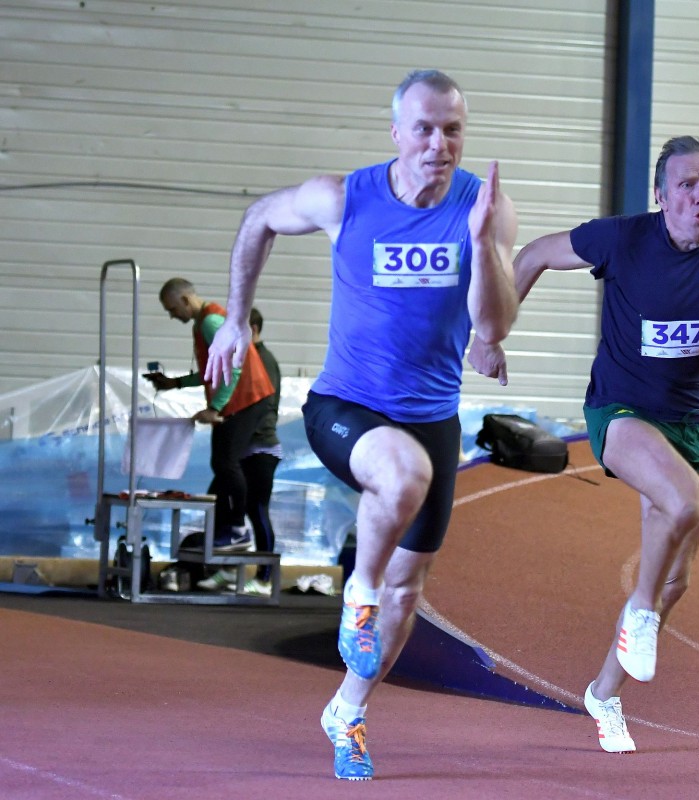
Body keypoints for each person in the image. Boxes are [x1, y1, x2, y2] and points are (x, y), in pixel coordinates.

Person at [203, 69, 517, 781]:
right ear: (397, 132)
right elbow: (259, 217)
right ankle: (359, 593)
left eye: (453, 130)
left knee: (411, 589)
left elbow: (493, 325)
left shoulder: (486, 207)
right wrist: (235, 320)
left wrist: (482, 248)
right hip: (345, 406)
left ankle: (347, 710)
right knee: (402, 478)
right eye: (424, 129)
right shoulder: (344, 197)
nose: (439, 144)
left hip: (431, 416)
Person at [505, 135, 699, 753]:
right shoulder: (622, 238)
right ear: (661, 196)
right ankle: (638, 612)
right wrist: (490, 333)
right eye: (687, 185)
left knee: (676, 581)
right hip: (621, 411)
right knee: (685, 501)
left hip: (691, 419)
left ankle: (604, 694)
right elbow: (532, 255)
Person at [150, 278, 276, 551]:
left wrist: (214, 408)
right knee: (221, 464)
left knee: (225, 462)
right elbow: (213, 369)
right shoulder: (205, 323)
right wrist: (176, 383)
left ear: (186, 300)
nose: (172, 316)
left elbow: (234, 365)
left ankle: (237, 529)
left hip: (248, 398)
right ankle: (228, 527)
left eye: (172, 309)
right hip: (243, 399)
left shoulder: (210, 323)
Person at [198, 306, 281, 596]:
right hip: (240, 448)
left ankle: (265, 578)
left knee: (256, 509)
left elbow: (260, 404)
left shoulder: (263, 361)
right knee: (222, 500)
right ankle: (229, 568)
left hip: (260, 446)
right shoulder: (246, 359)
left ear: (252, 330)